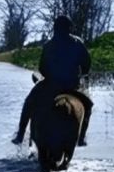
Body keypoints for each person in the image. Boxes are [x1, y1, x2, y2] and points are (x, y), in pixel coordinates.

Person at [12, 15, 93, 146]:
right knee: (88, 106)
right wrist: (82, 74)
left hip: (51, 85)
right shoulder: (78, 43)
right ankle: (81, 137)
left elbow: (42, 68)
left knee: (30, 101)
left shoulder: (49, 45)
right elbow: (87, 63)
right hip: (72, 86)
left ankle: (20, 134)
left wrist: (49, 75)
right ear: (69, 29)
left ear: (56, 29)